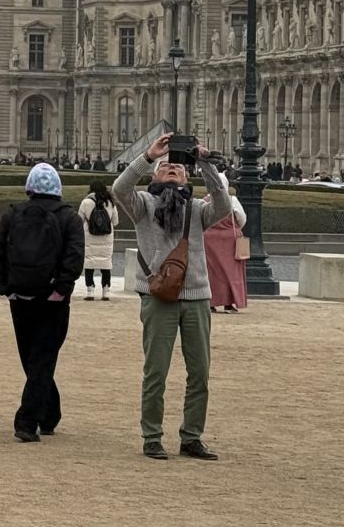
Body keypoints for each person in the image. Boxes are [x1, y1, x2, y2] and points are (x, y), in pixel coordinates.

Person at [112, 133, 234, 460]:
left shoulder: (197, 208)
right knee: (156, 372)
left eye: (178, 167)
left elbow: (223, 204)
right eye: (165, 166)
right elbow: (119, 188)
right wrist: (148, 156)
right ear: (154, 176)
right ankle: (152, 436)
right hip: (157, 297)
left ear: (187, 177)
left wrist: (205, 162)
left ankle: (191, 436)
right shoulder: (142, 206)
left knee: (200, 374)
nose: (172, 169)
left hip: (196, 297)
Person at [0, 163, 84, 442]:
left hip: (20, 296)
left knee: (32, 359)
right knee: (42, 358)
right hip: (52, 300)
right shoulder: (70, 218)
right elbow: (74, 257)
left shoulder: (13, 214)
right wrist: (61, 289)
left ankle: (49, 414)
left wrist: (5, 287)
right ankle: (27, 421)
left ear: (29, 187)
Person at [204, 192, 248, 313]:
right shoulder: (232, 200)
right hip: (230, 240)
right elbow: (242, 218)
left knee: (211, 272)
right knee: (231, 272)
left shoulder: (205, 201)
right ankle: (229, 304)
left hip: (209, 239)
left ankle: (211, 303)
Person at [77, 180, 119, 301]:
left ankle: (90, 291)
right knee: (106, 265)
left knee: (89, 264)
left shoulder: (86, 202)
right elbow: (115, 222)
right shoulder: (110, 202)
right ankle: (106, 292)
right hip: (106, 238)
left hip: (89, 237)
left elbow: (79, 220)